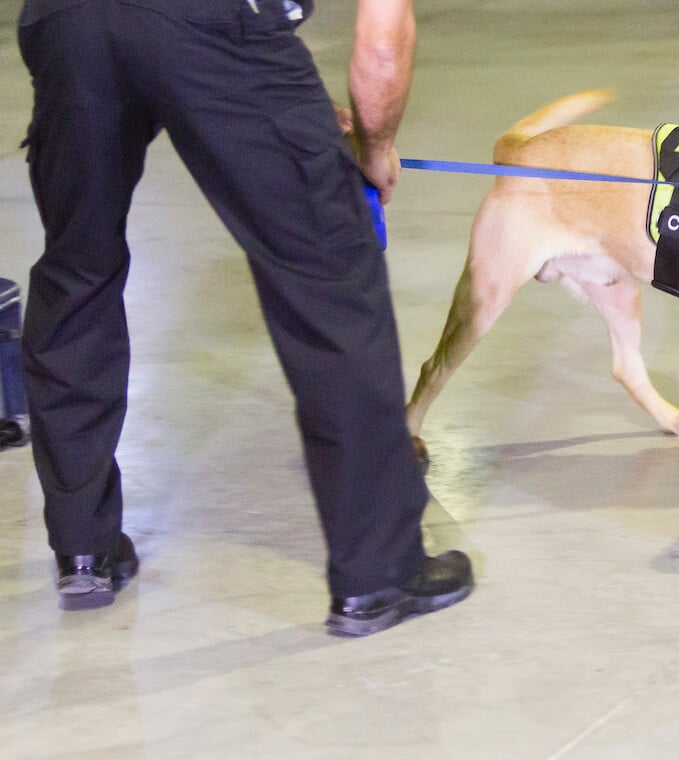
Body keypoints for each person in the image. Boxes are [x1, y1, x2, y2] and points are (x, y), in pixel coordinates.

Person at [17, 0, 472, 637]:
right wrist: (373, 149)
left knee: (77, 269)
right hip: (209, 19)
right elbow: (381, 35)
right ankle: (380, 574)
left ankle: (83, 546)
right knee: (330, 274)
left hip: (65, 18)